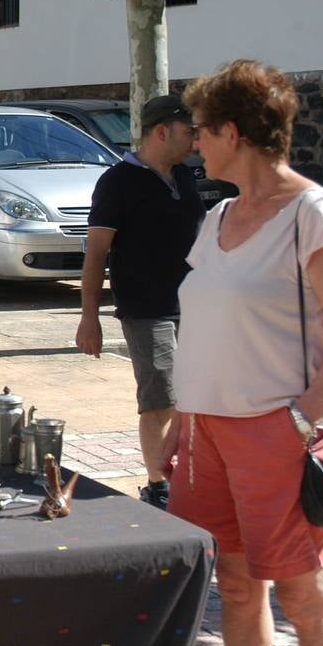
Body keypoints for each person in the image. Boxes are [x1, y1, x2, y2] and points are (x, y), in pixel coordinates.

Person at [161, 60, 323, 646]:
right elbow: (208, 325)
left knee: (302, 596)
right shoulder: (217, 216)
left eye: (201, 130)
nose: (194, 144)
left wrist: (298, 420)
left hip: (279, 433)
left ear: (233, 134)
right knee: (235, 587)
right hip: (204, 433)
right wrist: (181, 421)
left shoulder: (312, 215)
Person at [75, 94, 203, 509]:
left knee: (197, 396)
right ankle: (159, 485)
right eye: (189, 132)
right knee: (160, 398)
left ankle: (191, 478)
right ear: (162, 131)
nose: (196, 142)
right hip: (147, 310)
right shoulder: (117, 182)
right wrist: (88, 318)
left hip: (198, 310)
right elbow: (96, 253)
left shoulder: (185, 177)